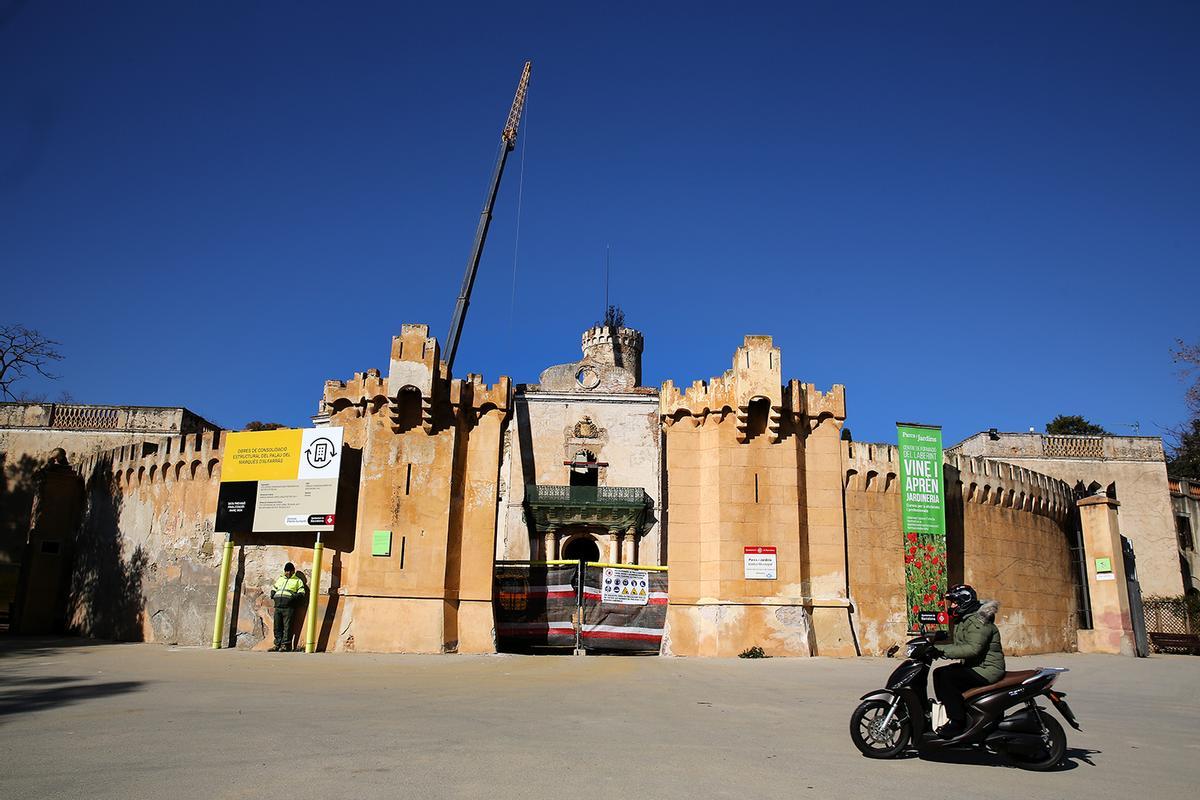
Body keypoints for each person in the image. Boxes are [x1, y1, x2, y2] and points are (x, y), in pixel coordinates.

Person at [930, 584, 1005, 737]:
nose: (952, 606)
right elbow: (962, 646)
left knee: (945, 675)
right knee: (941, 673)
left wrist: (941, 650)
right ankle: (959, 711)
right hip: (976, 666)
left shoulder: (978, 621)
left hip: (987, 670)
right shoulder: (966, 619)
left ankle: (958, 721)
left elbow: (972, 648)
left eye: (955, 602)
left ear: (965, 601)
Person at [269, 562, 306, 652]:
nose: (288, 573)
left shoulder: (297, 581)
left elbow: (302, 593)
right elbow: (275, 588)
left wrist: (293, 598)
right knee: (277, 626)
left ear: (293, 571)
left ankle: (285, 645)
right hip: (278, 606)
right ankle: (277, 644)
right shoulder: (281, 579)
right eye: (286, 571)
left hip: (289, 607)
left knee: (287, 627)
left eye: (290, 571)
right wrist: (273, 593)